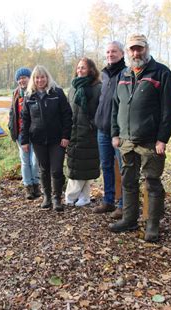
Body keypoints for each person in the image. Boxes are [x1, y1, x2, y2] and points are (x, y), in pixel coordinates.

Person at [110, 34, 171, 242]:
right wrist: (115, 133)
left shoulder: (161, 73)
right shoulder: (124, 74)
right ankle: (129, 219)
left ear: (146, 49)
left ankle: (152, 225)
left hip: (150, 142)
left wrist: (162, 139)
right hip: (126, 141)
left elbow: (169, 110)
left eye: (139, 48)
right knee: (129, 182)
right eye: (132, 49)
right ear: (128, 52)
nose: (135, 53)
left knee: (152, 183)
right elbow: (116, 107)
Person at [21, 65, 72, 211]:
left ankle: (57, 198)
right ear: (33, 79)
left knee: (56, 170)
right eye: (37, 77)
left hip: (57, 139)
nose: (40, 80)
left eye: (42, 77)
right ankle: (47, 197)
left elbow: (67, 115)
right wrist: (24, 140)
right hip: (38, 139)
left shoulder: (57, 93)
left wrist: (66, 136)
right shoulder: (29, 96)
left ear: (47, 78)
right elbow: (25, 119)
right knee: (43, 169)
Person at [93, 41, 126, 217]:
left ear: (122, 54)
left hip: (120, 131)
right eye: (107, 51)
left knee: (123, 168)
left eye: (114, 51)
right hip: (102, 129)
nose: (110, 54)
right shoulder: (104, 75)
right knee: (106, 166)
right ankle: (108, 201)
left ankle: (123, 204)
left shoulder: (126, 74)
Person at [65, 57, 102, 207]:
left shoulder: (98, 87)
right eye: (78, 67)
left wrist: (93, 124)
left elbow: (101, 110)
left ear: (91, 70)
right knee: (77, 164)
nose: (80, 70)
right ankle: (84, 196)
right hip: (74, 131)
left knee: (85, 165)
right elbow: (68, 109)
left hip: (90, 132)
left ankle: (70, 195)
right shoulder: (73, 87)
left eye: (83, 68)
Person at [8, 67, 41, 200]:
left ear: (30, 78)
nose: (22, 80)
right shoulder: (16, 93)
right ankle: (28, 187)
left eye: (24, 78)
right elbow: (12, 112)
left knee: (34, 161)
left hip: (35, 133)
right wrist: (11, 128)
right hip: (21, 133)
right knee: (25, 161)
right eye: (19, 79)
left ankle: (36, 184)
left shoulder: (36, 92)